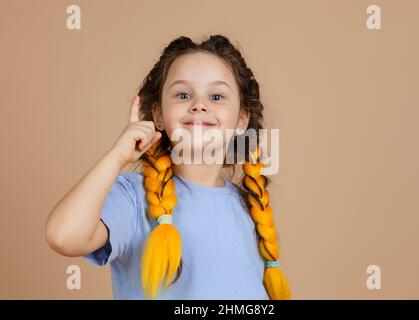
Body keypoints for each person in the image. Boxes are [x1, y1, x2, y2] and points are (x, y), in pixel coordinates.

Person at [45, 34, 291, 300]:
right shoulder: (134, 199)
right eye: (183, 95)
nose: (199, 105)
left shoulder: (249, 206)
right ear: (159, 116)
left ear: (242, 120)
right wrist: (117, 156)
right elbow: (63, 236)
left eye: (217, 96)